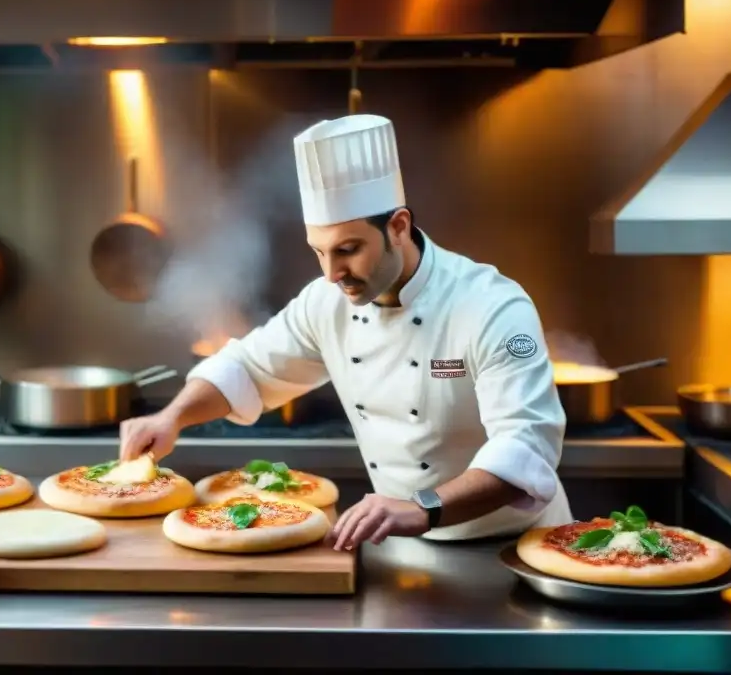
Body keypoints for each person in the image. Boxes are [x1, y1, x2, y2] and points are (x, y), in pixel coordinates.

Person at [120, 114, 573, 550]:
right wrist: (172, 417)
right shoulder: (326, 303)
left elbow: (525, 447)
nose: (333, 273)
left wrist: (422, 508)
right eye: (319, 252)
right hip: (407, 543)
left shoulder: (491, 306)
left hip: (515, 547)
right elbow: (248, 368)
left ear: (398, 226)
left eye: (349, 250)